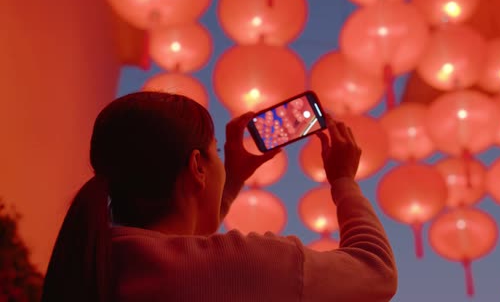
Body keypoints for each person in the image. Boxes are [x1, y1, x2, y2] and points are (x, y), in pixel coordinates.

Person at [41, 91, 397, 302]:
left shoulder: (98, 260)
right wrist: (343, 180)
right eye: (218, 154)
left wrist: (233, 179)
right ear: (197, 166)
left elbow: (191, 253)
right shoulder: (251, 265)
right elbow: (376, 272)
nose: (224, 164)